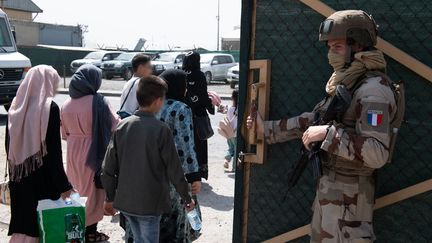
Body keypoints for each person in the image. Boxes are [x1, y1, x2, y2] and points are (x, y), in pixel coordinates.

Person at [247, 10, 399, 242]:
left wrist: (329, 134)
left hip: (350, 206)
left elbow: (377, 153)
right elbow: (313, 121)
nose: (331, 54)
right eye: (329, 47)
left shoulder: (373, 90)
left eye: (337, 47)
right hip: (330, 198)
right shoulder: (347, 81)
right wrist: (265, 129)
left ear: (357, 46)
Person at [101, 75, 195, 243]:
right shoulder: (161, 130)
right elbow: (174, 169)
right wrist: (187, 198)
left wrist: (110, 196)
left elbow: (108, 167)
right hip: (150, 203)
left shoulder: (122, 126)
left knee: (139, 239)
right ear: (158, 101)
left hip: (126, 202)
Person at [6, 65, 73, 243]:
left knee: (23, 227)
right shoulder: (49, 108)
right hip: (42, 182)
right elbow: (53, 155)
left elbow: (9, 148)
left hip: (19, 179)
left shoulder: (15, 107)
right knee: (42, 228)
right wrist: (65, 186)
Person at [61, 64, 119, 242]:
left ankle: (77, 229)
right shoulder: (99, 101)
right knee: (93, 191)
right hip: (94, 151)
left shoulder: (66, 104)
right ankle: (90, 232)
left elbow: (64, 134)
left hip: (73, 151)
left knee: (76, 190)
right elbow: (115, 125)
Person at [158, 69, 202, 242]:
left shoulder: (153, 105)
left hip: (154, 172)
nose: (186, 90)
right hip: (177, 175)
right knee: (180, 224)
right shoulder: (181, 108)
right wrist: (194, 176)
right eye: (184, 86)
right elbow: (185, 145)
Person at [182, 51, 215, 180]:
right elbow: (202, 95)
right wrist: (210, 106)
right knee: (199, 145)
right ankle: (198, 173)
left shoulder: (181, 74)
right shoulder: (199, 75)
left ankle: (186, 172)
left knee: (186, 143)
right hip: (198, 116)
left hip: (184, 115)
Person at [222, 89, 238, 171]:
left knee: (230, 148)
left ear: (232, 98)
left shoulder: (230, 109)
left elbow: (227, 120)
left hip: (229, 133)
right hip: (236, 133)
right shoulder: (240, 110)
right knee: (236, 150)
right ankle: (235, 167)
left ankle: (226, 160)